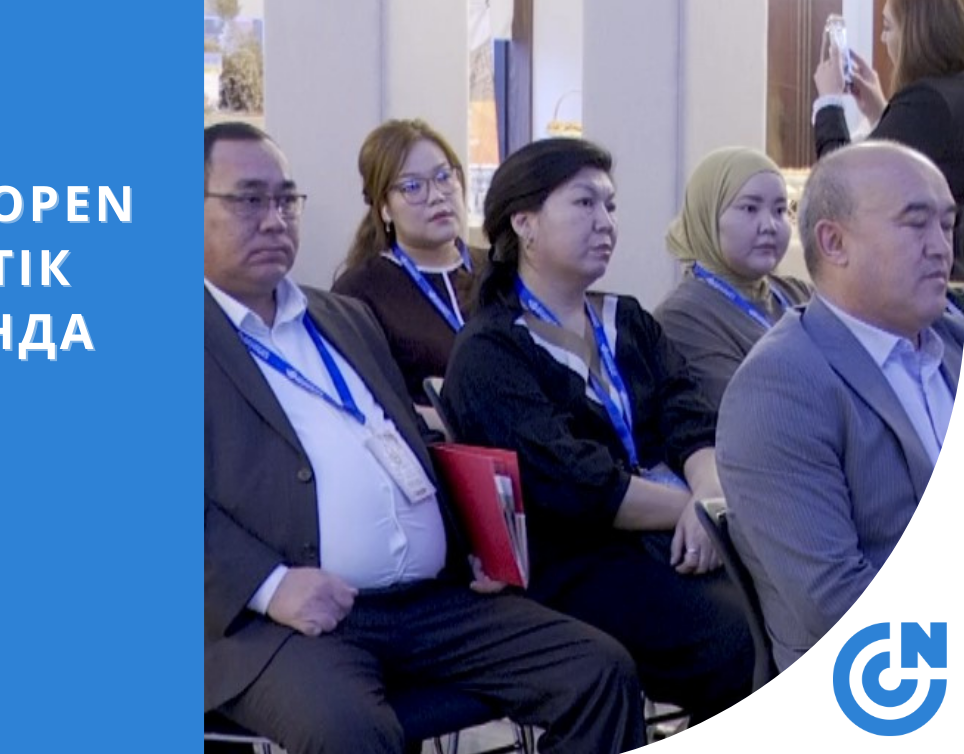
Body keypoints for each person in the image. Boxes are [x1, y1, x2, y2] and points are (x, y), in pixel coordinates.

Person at [203, 123, 643, 754]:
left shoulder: (342, 318)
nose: (275, 219)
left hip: (432, 600)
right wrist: (271, 585)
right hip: (285, 620)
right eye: (249, 200)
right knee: (350, 732)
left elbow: (409, 445)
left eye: (286, 200)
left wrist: (476, 542)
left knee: (598, 672)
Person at [439, 138, 753, 722]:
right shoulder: (491, 350)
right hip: (576, 560)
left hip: (678, 531)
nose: (605, 222)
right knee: (736, 637)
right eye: (584, 204)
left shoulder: (626, 318)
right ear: (524, 223)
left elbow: (690, 418)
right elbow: (574, 485)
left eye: (610, 205)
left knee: (792, 602)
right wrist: (697, 509)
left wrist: (710, 496)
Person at [717, 141, 964, 669]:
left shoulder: (951, 340)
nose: (941, 247)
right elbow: (835, 604)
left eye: (947, 224)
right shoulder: (781, 387)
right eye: (915, 223)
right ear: (834, 242)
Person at [815, 0, 964, 276]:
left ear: (917, 34)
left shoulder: (927, 102)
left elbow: (842, 188)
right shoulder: (944, 96)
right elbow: (926, 151)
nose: (883, 39)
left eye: (888, 27)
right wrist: (880, 112)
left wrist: (829, 104)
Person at [333, 119, 487, 403]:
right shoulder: (360, 291)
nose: (437, 196)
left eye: (444, 177)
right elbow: (368, 402)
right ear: (384, 208)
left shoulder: (500, 268)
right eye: (413, 186)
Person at [655, 147, 813, 409]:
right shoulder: (684, 316)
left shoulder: (799, 294)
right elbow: (752, 411)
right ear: (708, 216)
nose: (769, 226)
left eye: (780, 210)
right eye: (750, 208)